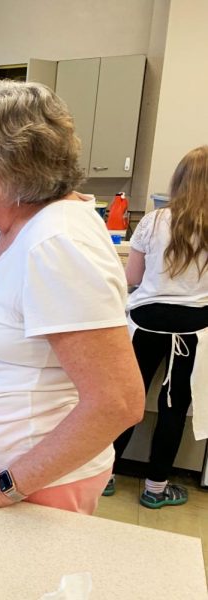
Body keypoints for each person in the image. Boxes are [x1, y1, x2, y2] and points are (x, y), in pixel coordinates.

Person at [0, 81, 144, 514]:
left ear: (17, 163)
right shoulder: (7, 226)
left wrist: (3, 486)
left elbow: (117, 401)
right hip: (14, 480)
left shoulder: (56, 241)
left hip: (37, 490)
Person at [105, 146, 208, 508]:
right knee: (173, 409)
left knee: (127, 401)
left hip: (145, 322)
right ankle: (155, 489)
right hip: (193, 331)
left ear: (179, 180)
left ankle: (106, 476)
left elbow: (132, 277)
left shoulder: (153, 220)